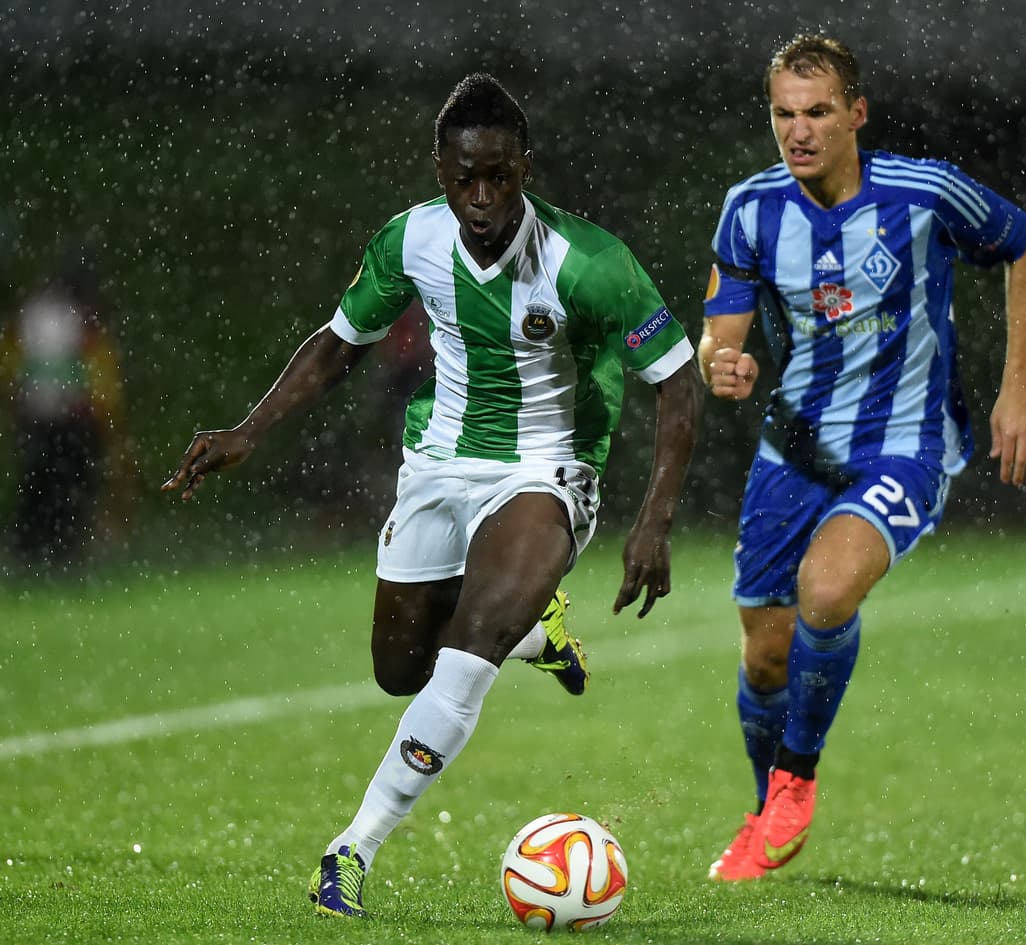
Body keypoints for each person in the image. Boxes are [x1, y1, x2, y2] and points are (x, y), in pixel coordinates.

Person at [162, 73, 702, 916]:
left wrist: (654, 520)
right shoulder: (409, 240)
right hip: (438, 465)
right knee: (399, 668)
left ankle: (352, 849)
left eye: (500, 177)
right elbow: (340, 343)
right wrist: (248, 429)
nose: (481, 199)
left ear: (526, 168)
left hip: (547, 467)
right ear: (441, 172)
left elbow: (678, 380)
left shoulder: (591, 263)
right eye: (464, 179)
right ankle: (537, 631)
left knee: (469, 649)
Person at [699, 34, 1026, 881]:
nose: (799, 131)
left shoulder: (923, 193)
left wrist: (1019, 387)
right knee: (765, 653)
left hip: (907, 441)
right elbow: (721, 332)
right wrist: (724, 362)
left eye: (818, 112)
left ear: (856, 114)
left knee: (826, 591)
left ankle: (796, 776)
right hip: (796, 447)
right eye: (784, 114)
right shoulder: (750, 209)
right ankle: (764, 810)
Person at [1, 254, 135, 574]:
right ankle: (60, 550)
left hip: (38, 415)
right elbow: (96, 369)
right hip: (71, 418)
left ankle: (35, 549)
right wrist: (103, 411)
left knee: (39, 485)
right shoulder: (76, 318)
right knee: (68, 487)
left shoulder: (34, 314)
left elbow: (14, 360)